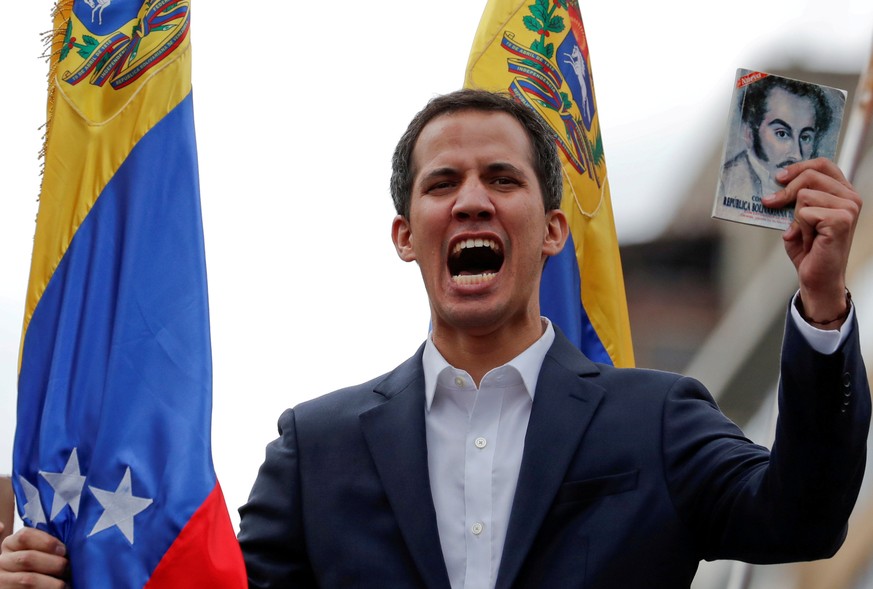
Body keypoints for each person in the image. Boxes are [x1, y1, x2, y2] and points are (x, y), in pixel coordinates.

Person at [0, 89, 868, 588]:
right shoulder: (317, 447)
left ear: (554, 229)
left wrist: (823, 304)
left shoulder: (658, 416)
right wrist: (68, 577)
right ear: (406, 234)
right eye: (442, 183)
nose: (471, 200)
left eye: (501, 178)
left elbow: (802, 518)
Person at [721, 75, 835, 199]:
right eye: (782, 134)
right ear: (749, 133)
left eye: (805, 137)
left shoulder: (815, 192)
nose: (797, 155)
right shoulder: (724, 184)